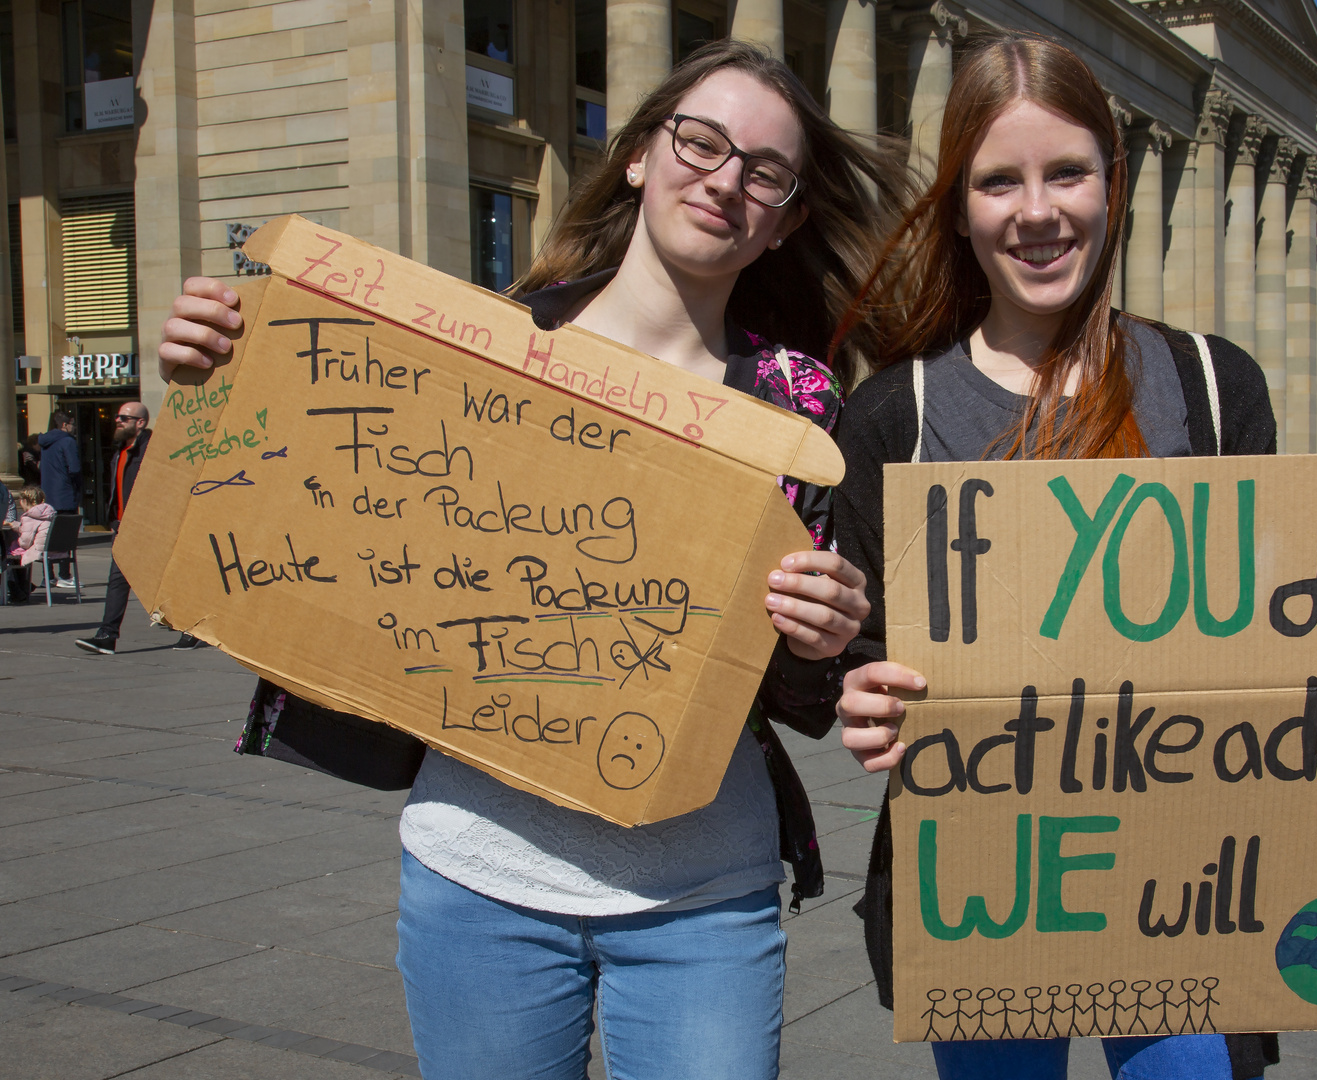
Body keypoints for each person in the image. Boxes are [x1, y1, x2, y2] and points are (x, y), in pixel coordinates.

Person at [158, 40, 909, 1080]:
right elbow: (320, 511)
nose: (726, 179)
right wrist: (218, 376)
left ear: (784, 220)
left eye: (766, 171)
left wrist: (819, 634)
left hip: (701, 902)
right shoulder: (481, 346)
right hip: (477, 882)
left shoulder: (796, 407)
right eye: (702, 141)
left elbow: (798, 698)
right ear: (643, 154)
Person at [827, 32, 1317, 1079]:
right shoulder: (893, 415)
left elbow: (1290, 624)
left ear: (1115, 179)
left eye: (1066, 172)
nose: (1037, 210)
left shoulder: (1206, 383)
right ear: (962, 206)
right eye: (999, 181)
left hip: (1189, 889)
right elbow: (853, 651)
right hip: (993, 893)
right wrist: (856, 690)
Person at [73, 404, 199, 653]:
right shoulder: (121, 450)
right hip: (124, 528)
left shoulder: (152, 449)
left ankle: (192, 628)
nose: (118, 421)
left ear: (140, 422)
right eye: (117, 417)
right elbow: (117, 490)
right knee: (118, 581)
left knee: (165, 581)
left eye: (124, 418)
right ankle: (107, 635)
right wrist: (114, 521)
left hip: (148, 528)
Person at [37, 410, 81, 587]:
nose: (74, 427)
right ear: (65, 425)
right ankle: (65, 575)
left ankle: (48, 576)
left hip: (48, 495)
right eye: (72, 423)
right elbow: (75, 468)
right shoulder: (67, 441)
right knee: (66, 537)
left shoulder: (45, 443)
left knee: (47, 538)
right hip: (65, 494)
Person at [6, 485, 53, 602]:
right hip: (51, 549)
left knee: (8, 554)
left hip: (35, 549)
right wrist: (17, 526)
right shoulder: (48, 512)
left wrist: (18, 540)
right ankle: (24, 586)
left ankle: (16, 590)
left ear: (24, 501)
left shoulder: (29, 516)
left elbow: (25, 542)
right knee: (14, 552)